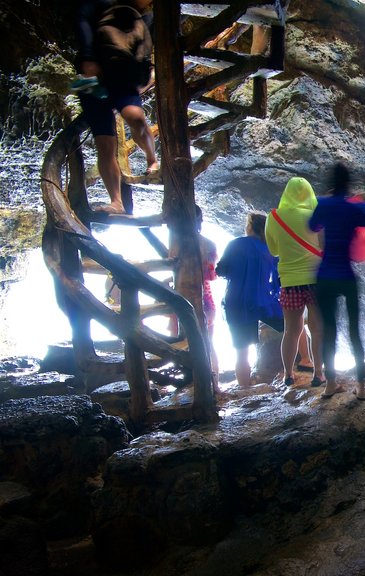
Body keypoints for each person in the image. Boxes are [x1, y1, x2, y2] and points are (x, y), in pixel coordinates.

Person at [308, 163, 365, 399]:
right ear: (349, 183)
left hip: (324, 276)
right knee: (355, 331)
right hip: (346, 275)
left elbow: (312, 226)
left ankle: (330, 384)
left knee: (328, 331)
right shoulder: (352, 208)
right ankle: (362, 387)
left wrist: (324, 204)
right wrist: (363, 203)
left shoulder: (323, 204)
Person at [74, 0, 159, 214]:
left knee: (136, 118)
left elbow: (146, 50)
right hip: (96, 78)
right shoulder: (102, 5)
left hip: (123, 78)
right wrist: (87, 58)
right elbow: (81, 19)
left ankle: (152, 160)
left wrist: (146, 75)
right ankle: (117, 203)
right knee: (105, 145)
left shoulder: (145, 18)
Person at [265, 177, 326, 388]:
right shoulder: (316, 216)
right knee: (318, 328)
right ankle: (319, 374)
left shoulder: (274, 217)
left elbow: (273, 250)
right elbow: (323, 246)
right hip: (316, 280)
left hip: (290, 282)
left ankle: (288, 375)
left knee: (291, 329)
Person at [215, 212, 285, 388]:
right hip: (264, 301)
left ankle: (245, 388)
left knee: (242, 352)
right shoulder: (270, 248)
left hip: (236, 301)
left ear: (250, 227)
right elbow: (278, 278)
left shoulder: (235, 244)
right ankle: (296, 368)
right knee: (292, 328)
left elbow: (221, 270)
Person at [167, 205, 218, 380]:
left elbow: (172, 265)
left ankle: (191, 381)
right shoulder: (210, 244)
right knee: (207, 344)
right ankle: (214, 383)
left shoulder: (175, 243)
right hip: (205, 298)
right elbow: (211, 276)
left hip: (180, 298)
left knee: (181, 343)